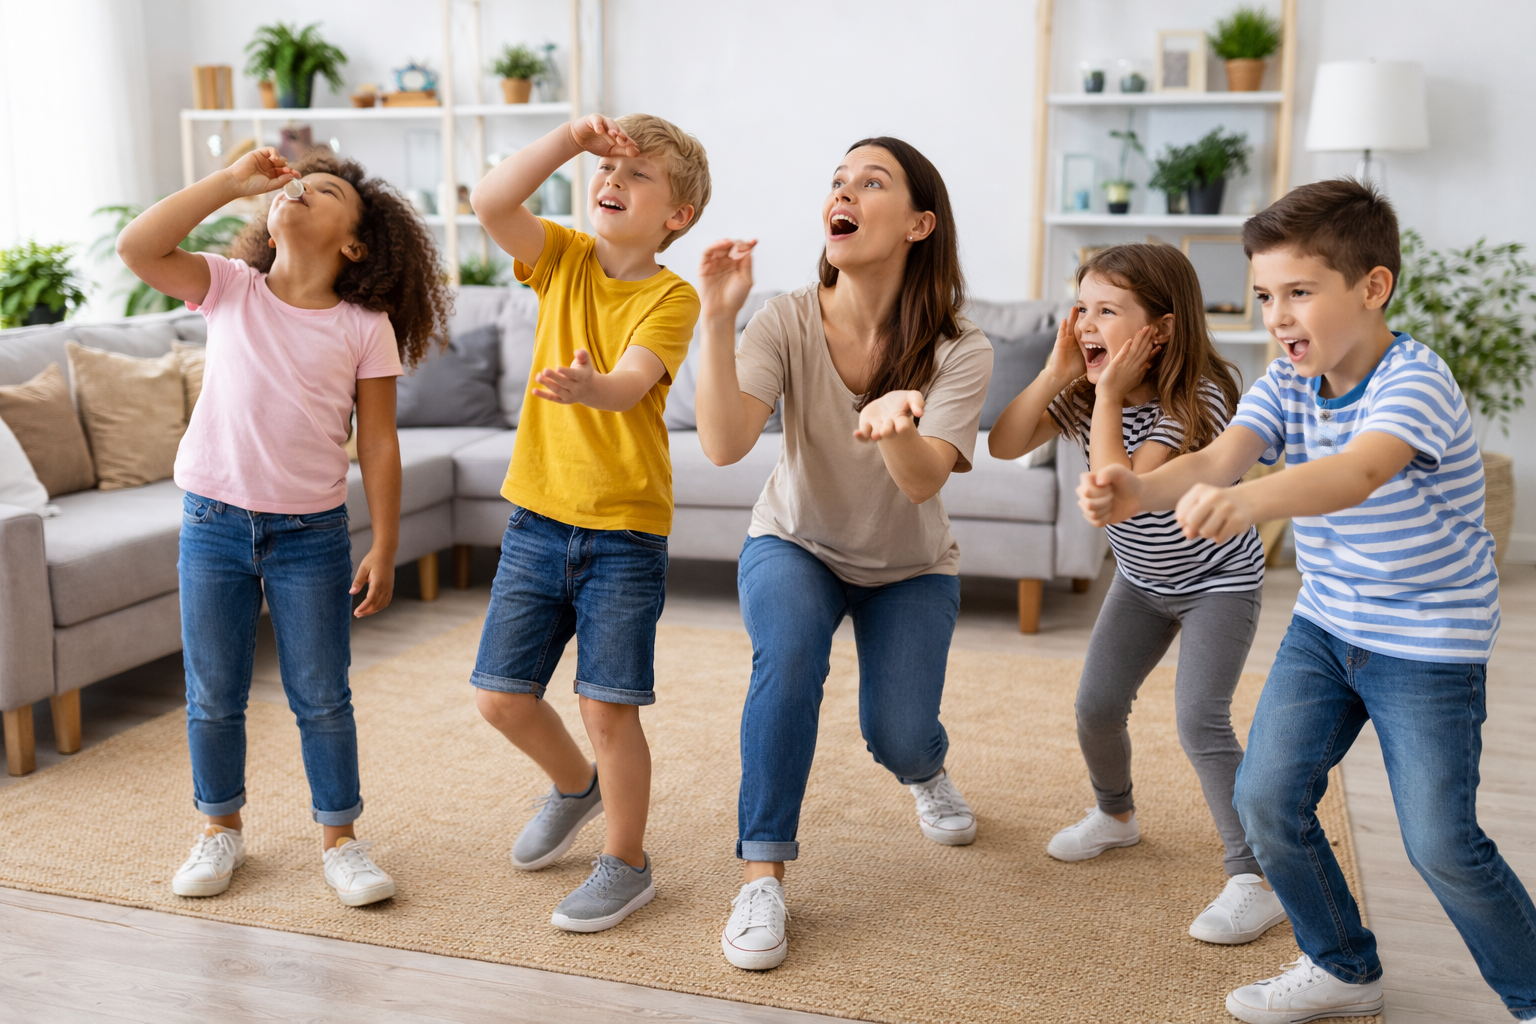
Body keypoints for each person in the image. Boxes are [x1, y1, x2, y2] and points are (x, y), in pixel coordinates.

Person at [1078, 179, 1536, 1023]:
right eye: (1264, 296)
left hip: (1428, 643)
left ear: (1372, 288)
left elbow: (1356, 472)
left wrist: (1254, 501)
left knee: (1440, 841)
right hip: (1327, 630)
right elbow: (1218, 461)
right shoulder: (1285, 385)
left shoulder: (1417, 379)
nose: (1278, 316)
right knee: (1264, 797)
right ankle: (1343, 966)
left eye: (1299, 293)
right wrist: (1134, 487)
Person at [117, 147, 452, 905]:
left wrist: (388, 543)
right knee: (214, 692)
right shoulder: (229, 288)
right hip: (212, 522)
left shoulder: (365, 326)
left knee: (322, 695)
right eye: (294, 184)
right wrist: (230, 184)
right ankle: (218, 830)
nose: (298, 188)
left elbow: (379, 443)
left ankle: (341, 841)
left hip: (311, 533)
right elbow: (137, 247)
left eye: (323, 188)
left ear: (355, 243)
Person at [694, 137, 992, 971]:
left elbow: (926, 481)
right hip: (795, 541)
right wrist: (717, 317)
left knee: (896, 734)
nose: (844, 192)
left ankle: (925, 769)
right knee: (787, 662)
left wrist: (898, 422)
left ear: (919, 224)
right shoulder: (786, 316)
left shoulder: (960, 347)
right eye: (837, 181)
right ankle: (761, 877)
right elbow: (722, 444)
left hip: (910, 567)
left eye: (872, 181)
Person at [988, 242, 1284, 945]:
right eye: (1082, 308)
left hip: (1219, 581)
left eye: (1109, 310)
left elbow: (1121, 494)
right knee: (1095, 706)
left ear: (1163, 329)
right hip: (1143, 582)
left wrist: (1110, 395)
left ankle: (1257, 876)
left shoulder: (1201, 398)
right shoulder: (1088, 391)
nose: (1087, 323)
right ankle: (1116, 816)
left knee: (1200, 723)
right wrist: (1059, 373)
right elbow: (1003, 443)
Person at [466, 113, 708, 933]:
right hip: (537, 519)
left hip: (624, 536)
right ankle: (577, 787)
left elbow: (633, 382)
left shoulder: (674, 296)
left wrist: (586, 386)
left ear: (677, 216)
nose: (614, 181)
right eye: (608, 170)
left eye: (638, 177)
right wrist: (572, 139)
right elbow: (490, 199)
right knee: (500, 698)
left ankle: (628, 862)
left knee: (609, 708)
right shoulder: (561, 258)